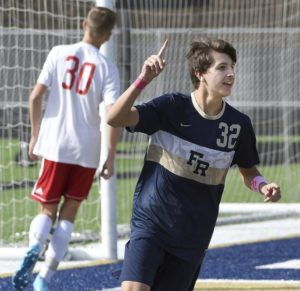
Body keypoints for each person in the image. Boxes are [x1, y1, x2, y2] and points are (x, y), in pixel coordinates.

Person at [107, 37, 281, 291]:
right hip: (151, 224)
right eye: (222, 67)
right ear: (200, 73)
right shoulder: (171, 107)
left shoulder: (238, 125)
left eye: (232, 66)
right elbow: (115, 118)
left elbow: (249, 171)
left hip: (193, 235)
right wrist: (143, 80)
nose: (231, 73)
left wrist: (263, 186)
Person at [12, 6, 120, 291]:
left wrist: (35, 137)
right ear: (108, 36)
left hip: (56, 144)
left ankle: (35, 246)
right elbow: (112, 115)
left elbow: (36, 96)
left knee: (47, 210)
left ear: (84, 24)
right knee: (69, 213)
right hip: (87, 150)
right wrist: (109, 155)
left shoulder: (58, 52)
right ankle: (44, 279)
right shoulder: (107, 67)